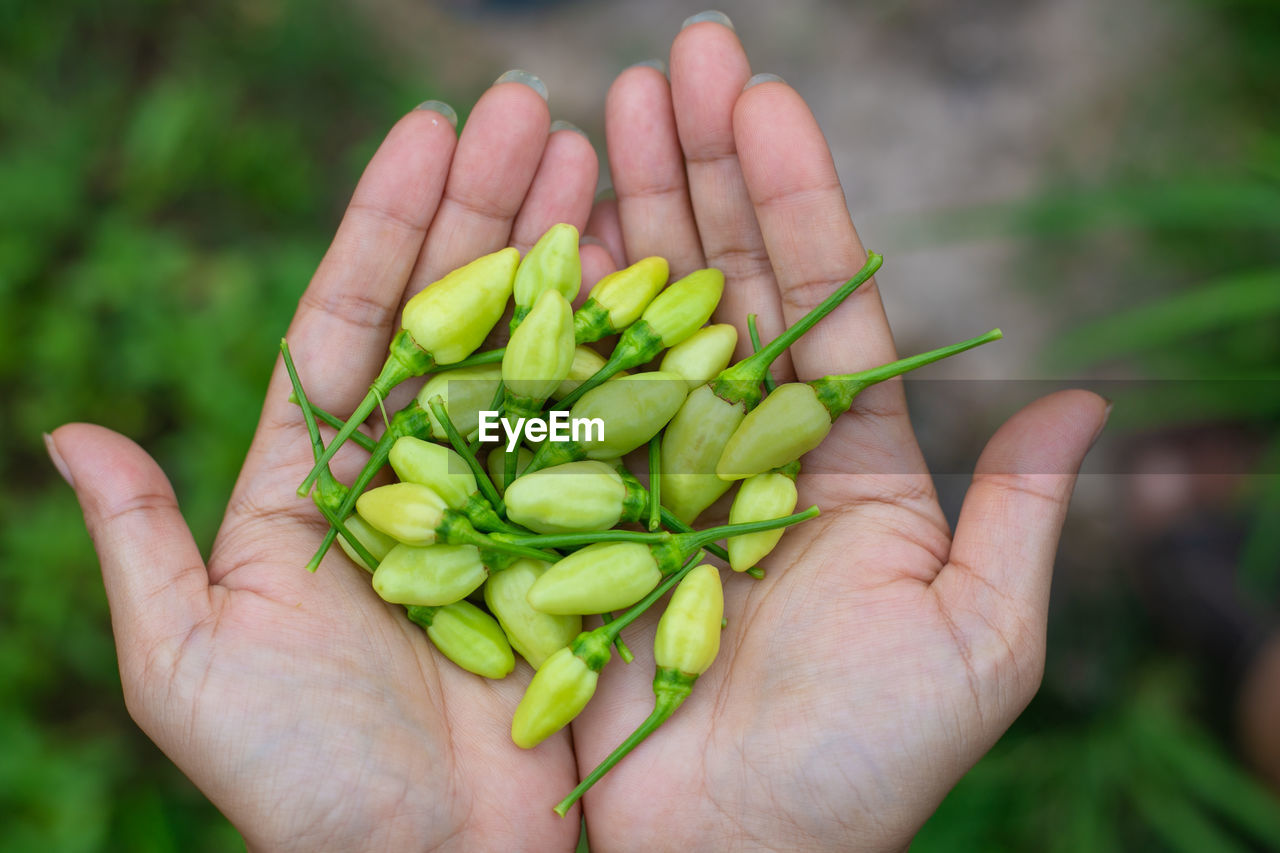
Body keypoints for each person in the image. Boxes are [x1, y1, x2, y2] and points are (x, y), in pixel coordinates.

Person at [43, 13, 1108, 852]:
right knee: (567, 487)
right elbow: (550, 484)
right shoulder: (548, 449)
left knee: (566, 481)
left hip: (575, 480)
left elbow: (562, 475)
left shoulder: (570, 442)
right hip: (565, 486)